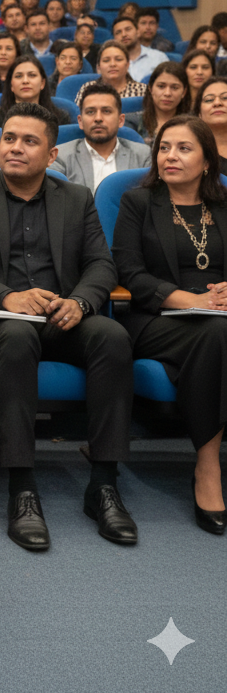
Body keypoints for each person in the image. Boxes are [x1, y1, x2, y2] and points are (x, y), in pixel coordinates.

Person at [0, 102, 136, 550]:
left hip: (61, 316)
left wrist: (82, 301)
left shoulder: (75, 198)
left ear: (51, 156)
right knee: (16, 335)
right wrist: (4, 296)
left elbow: (102, 266)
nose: (15, 148)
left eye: (30, 141)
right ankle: (22, 488)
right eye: (9, 138)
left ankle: (103, 484)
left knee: (112, 337)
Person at [111, 115, 227, 534]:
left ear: (208, 161)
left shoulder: (224, 206)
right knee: (216, 333)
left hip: (218, 317)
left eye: (183, 148)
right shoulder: (138, 203)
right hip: (156, 318)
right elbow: (129, 271)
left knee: (216, 332)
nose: (170, 156)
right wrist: (192, 300)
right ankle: (208, 466)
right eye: (164, 147)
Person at [53, 82, 150, 191]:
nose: (98, 118)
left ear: (121, 120)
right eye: (90, 112)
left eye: (106, 111)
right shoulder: (60, 157)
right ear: (80, 121)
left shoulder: (143, 156)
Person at [0, 54, 70, 127]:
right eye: (18, 76)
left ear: (42, 83)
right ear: (11, 85)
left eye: (32, 75)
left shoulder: (60, 118)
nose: (25, 81)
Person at [126, 61, 189, 143]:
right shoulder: (131, 122)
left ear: (184, 92)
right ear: (150, 89)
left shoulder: (194, 125)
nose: (167, 93)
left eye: (174, 88)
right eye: (161, 86)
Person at [74, 41, 146, 107]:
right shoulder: (87, 89)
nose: (112, 64)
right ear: (98, 68)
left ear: (127, 65)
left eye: (118, 59)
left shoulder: (142, 90)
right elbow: (79, 118)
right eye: (106, 60)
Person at [112, 16, 161, 82]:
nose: (123, 34)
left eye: (128, 29)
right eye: (118, 32)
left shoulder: (158, 57)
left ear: (138, 32)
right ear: (114, 38)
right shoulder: (111, 62)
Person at [194, 77, 227, 174]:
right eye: (209, 100)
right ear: (199, 113)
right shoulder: (190, 150)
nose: (217, 103)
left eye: (225, 98)